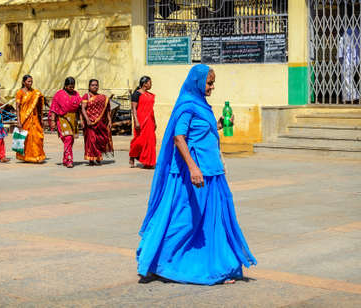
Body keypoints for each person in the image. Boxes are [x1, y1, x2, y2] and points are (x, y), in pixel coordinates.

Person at [136, 64, 257, 285]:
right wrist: (193, 167)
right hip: (194, 176)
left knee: (212, 222)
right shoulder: (187, 106)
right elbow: (179, 138)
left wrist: (218, 125)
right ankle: (161, 262)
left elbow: (199, 134)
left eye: (213, 84)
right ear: (197, 82)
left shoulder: (202, 105)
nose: (211, 88)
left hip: (211, 173)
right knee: (186, 221)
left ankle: (218, 265)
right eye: (209, 83)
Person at [49, 77, 82, 168]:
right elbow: (53, 108)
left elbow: (80, 107)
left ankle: (65, 159)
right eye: (70, 87)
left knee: (71, 140)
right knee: (68, 138)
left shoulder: (76, 94)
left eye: (73, 86)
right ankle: (69, 160)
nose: (72, 88)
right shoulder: (59, 94)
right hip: (62, 118)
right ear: (65, 85)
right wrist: (52, 121)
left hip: (73, 119)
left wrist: (82, 119)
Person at [81, 79, 114, 165]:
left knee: (101, 139)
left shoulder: (102, 97)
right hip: (90, 123)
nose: (95, 86)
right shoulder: (86, 96)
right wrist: (87, 120)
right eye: (93, 85)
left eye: (96, 85)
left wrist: (110, 120)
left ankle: (98, 156)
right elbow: (83, 109)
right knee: (91, 140)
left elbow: (107, 110)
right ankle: (91, 159)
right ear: (89, 86)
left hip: (101, 123)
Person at [15, 75, 46, 163]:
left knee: (37, 137)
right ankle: (27, 157)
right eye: (28, 81)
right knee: (26, 138)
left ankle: (37, 156)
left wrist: (41, 118)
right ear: (23, 82)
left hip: (35, 118)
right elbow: (17, 108)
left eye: (31, 81)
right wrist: (19, 121)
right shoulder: (19, 93)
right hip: (24, 118)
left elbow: (39, 106)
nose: (30, 83)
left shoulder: (35, 92)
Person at [129, 76, 156, 168]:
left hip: (150, 121)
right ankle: (132, 155)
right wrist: (136, 121)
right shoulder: (136, 94)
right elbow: (133, 109)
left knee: (150, 141)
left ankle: (147, 162)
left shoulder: (149, 95)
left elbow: (151, 109)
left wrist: (154, 121)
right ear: (144, 84)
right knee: (139, 140)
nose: (151, 84)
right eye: (150, 82)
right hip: (140, 120)